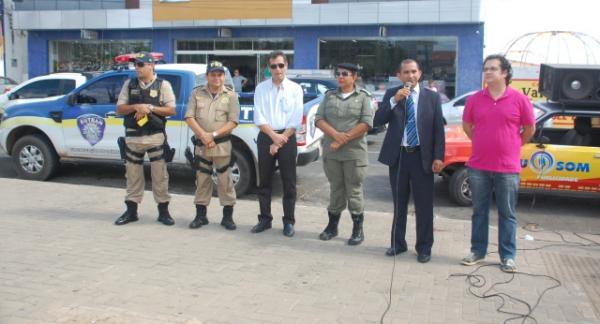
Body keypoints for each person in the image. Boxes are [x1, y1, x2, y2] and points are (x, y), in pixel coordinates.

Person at [460, 54, 535, 273]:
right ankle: (478, 251)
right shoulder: (475, 99)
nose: (488, 72)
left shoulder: (519, 99)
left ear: (504, 73)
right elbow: (467, 125)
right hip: (479, 166)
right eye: (486, 68)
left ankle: (508, 256)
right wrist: (482, 142)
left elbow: (529, 129)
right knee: (479, 211)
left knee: (507, 213)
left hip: (508, 168)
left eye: (493, 68)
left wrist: (513, 145)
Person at [374, 59, 445, 263]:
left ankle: (424, 247)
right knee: (400, 203)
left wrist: (439, 156)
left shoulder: (431, 97)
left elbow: (438, 130)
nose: (410, 76)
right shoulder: (392, 95)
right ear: (399, 75)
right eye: (406, 72)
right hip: (399, 157)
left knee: (424, 205)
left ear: (420, 74)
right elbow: (378, 121)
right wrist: (395, 100)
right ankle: (398, 243)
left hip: (422, 157)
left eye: (414, 71)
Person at [114, 52, 177, 226]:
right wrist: (136, 106)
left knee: (160, 176)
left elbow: (171, 110)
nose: (137, 68)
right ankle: (131, 212)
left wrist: (149, 108)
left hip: (155, 138)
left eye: (141, 65)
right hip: (133, 138)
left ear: (152, 66)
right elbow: (120, 109)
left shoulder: (163, 85)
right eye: (136, 65)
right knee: (132, 177)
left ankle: (163, 212)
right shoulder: (129, 84)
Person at [315, 63, 373, 245]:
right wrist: (336, 136)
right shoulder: (329, 96)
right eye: (338, 74)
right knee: (336, 189)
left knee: (354, 190)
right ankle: (332, 227)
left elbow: (366, 123)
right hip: (332, 153)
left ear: (354, 77)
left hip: (354, 153)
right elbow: (319, 119)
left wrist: (343, 139)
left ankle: (358, 230)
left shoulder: (363, 97)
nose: (340, 77)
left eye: (344, 74)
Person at [251, 50, 304, 237]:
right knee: (264, 180)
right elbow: (259, 117)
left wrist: (280, 140)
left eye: (281, 65)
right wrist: (274, 138)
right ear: (268, 68)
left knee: (289, 182)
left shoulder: (296, 89)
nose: (278, 69)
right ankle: (264, 219)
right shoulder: (261, 88)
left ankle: (289, 221)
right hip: (267, 135)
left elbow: (296, 119)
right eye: (273, 66)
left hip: (287, 137)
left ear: (286, 66)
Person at [185, 61, 240, 230]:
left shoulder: (231, 95)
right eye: (213, 74)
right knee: (202, 180)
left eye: (220, 74)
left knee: (225, 180)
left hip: (221, 145)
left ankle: (227, 218)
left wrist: (213, 135)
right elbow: (189, 117)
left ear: (223, 76)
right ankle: (201, 216)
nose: (216, 78)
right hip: (202, 145)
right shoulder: (197, 93)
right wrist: (203, 135)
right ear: (207, 76)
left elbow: (233, 121)